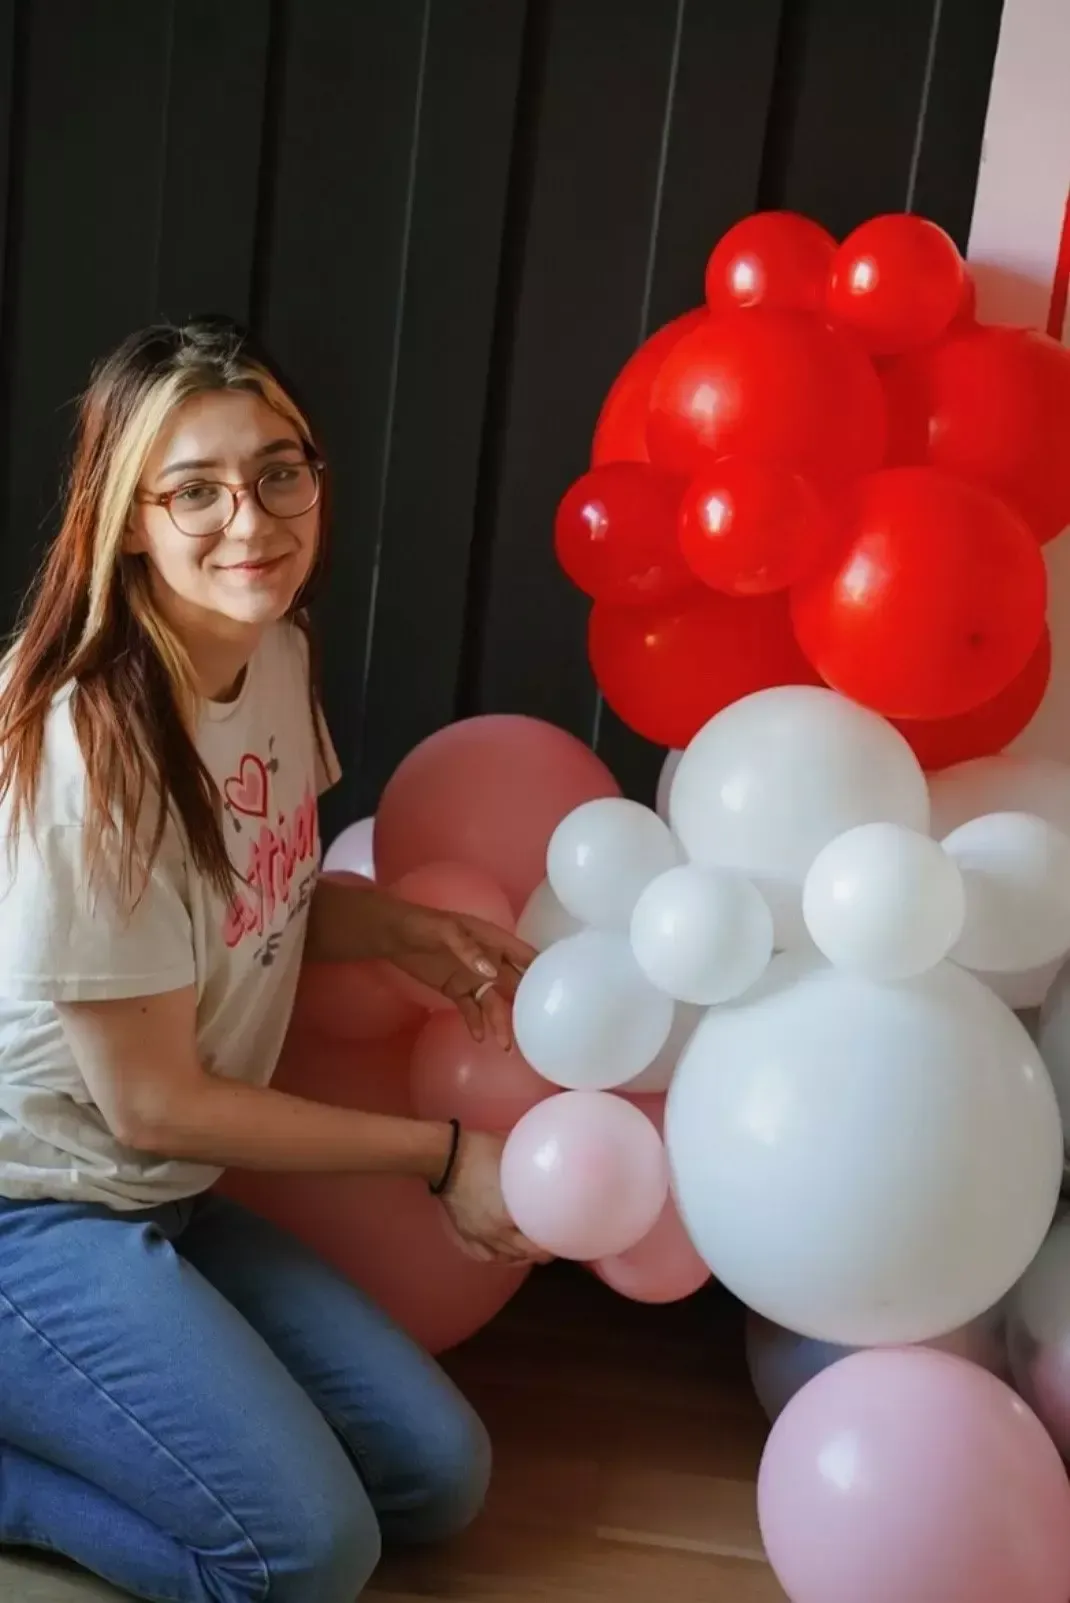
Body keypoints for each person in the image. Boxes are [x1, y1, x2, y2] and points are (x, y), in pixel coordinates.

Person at [0, 317, 545, 1603]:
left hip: (162, 1197)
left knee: (434, 1476)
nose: (249, 520)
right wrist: (443, 1156)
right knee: (303, 1554)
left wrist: (400, 927)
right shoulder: (91, 748)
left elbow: (255, 893)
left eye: (277, 471)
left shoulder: (273, 653)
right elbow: (153, 1100)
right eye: (195, 490)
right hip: (33, 1210)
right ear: (129, 520)